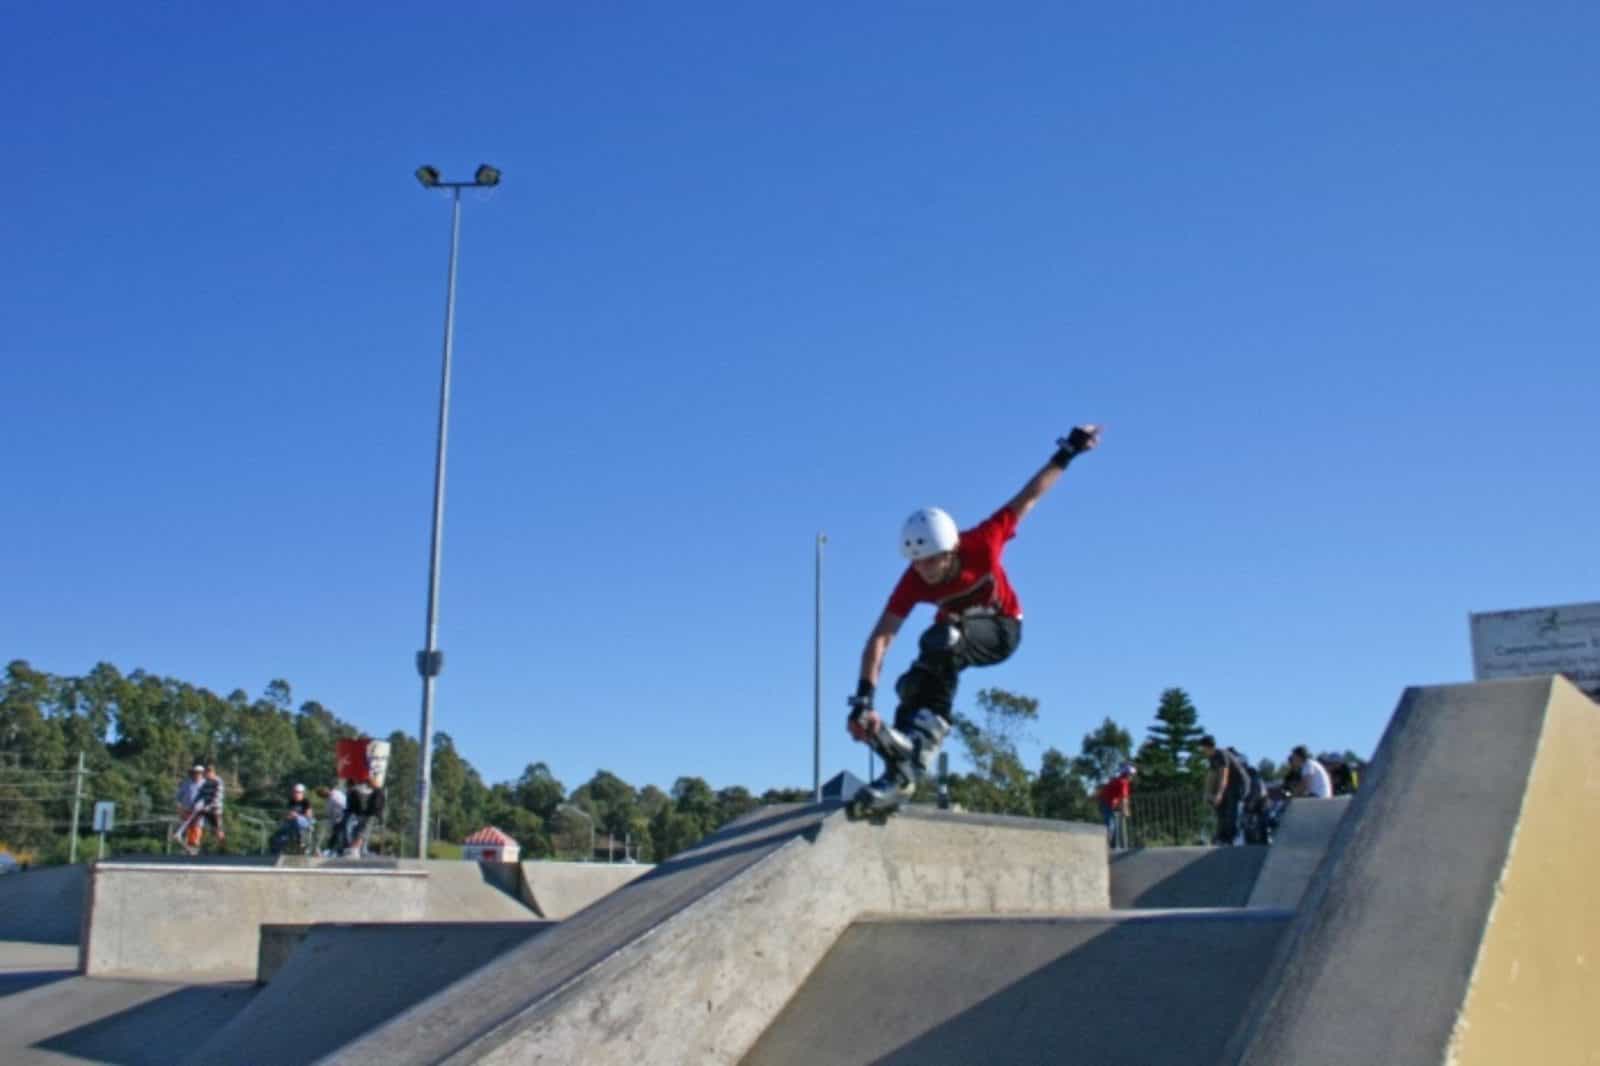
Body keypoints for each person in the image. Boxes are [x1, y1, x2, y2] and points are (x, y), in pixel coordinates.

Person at [845, 426, 1103, 813]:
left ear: (951, 550)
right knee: (912, 683)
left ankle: (923, 747)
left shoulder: (983, 541)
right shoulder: (912, 579)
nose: (926, 571)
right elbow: (881, 637)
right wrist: (863, 700)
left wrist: (1068, 452)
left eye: (933, 561)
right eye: (918, 564)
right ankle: (899, 771)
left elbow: (1029, 497)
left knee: (943, 637)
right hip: (958, 639)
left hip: (1002, 630)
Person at [1198, 735, 1246, 846]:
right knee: (1220, 809)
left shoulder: (1221, 754)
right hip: (1228, 785)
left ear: (1207, 747)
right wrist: (1207, 793)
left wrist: (1219, 794)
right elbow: (1211, 776)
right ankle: (1222, 836)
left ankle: (1231, 837)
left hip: (1238, 783)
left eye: (1202, 749)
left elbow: (1224, 776)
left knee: (1230, 809)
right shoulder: (1212, 757)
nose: (1202, 752)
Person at [341, 779, 385, 857]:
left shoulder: (377, 792)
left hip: (370, 815)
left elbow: (376, 805)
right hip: (369, 814)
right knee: (361, 831)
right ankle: (359, 849)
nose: (368, 786)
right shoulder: (377, 791)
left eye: (368, 784)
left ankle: (355, 849)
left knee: (361, 832)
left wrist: (369, 812)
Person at [269, 783, 316, 855]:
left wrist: (297, 815)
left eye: (298, 792)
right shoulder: (291, 801)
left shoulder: (306, 802)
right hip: (292, 822)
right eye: (295, 792)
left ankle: (301, 841)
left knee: (297, 821)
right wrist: (288, 816)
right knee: (278, 833)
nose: (296, 794)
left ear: (302, 793)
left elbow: (309, 815)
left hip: (304, 822)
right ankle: (277, 850)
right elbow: (288, 813)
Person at [1097, 763, 1135, 849]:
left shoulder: (1119, 780)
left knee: (1112, 824)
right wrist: (1125, 810)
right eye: (1131, 775)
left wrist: (1123, 808)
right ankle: (1105, 845)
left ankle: (1111, 845)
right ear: (1127, 774)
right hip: (1106, 802)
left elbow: (1123, 797)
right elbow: (1124, 798)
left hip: (1106, 802)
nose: (1132, 777)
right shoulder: (1123, 782)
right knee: (1110, 825)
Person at [193, 765, 226, 852]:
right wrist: (194, 803)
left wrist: (210, 805)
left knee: (217, 829)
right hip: (206, 809)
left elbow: (217, 797)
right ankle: (193, 841)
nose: (206, 776)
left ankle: (222, 846)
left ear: (212, 773)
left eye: (207, 774)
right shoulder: (206, 782)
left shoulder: (218, 782)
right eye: (205, 775)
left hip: (215, 810)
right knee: (195, 817)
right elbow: (200, 793)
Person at [173, 764, 206, 853]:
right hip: (186, 811)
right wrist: (178, 806)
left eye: (199, 773)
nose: (197, 775)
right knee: (187, 830)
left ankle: (194, 848)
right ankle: (186, 847)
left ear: (202, 774)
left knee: (196, 829)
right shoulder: (186, 784)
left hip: (198, 812)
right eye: (195, 773)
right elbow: (178, 797)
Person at [319, 782, 348, 856]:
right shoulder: (331, 797)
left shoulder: (334, 797)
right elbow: (328, 812)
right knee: (338, 835)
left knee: (338, 834)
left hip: (342, 817)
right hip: (337, 819)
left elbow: (344, 806)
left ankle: (335, 850)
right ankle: (338, 850)